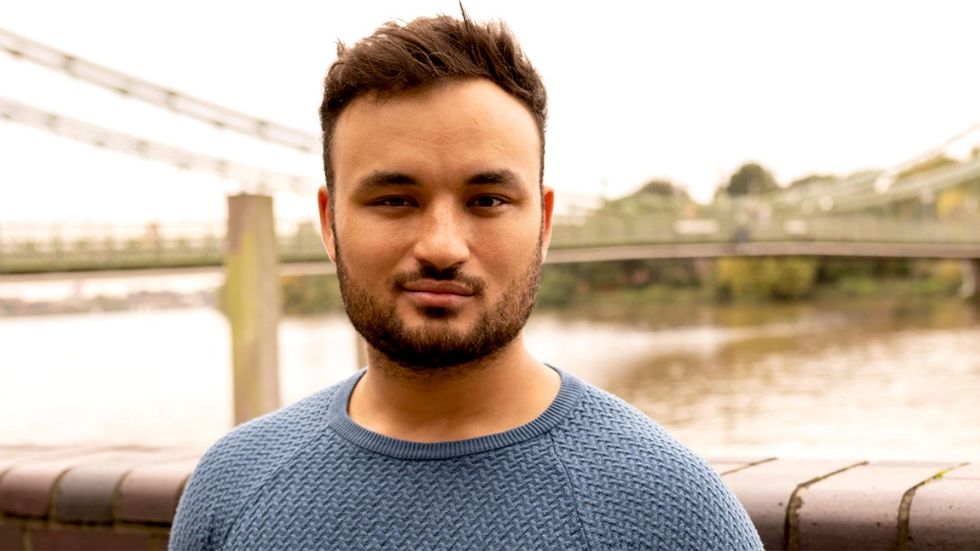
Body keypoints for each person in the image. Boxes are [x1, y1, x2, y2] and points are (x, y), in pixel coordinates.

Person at [170, 12, 762, 550]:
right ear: (329, 223)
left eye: (487, 200)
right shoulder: (230, 486)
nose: (442, 247)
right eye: (395, 199)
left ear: (544, 223)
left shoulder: (671, 509)